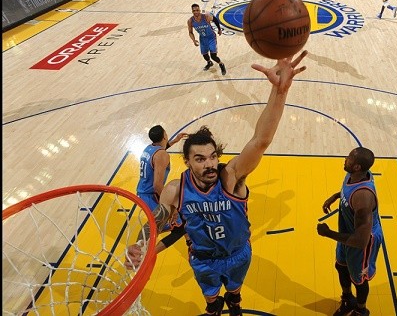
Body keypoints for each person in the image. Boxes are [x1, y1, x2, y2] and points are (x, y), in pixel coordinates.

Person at [126, 51, 308, 316]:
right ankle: (214, 307)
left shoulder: (230, 177)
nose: (209, 164)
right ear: (188, 162)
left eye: (212, 157)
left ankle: (234, 304)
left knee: (235, 293)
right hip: (203, 260)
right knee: (211, 301)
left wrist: (280, 93)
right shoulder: (176, 190)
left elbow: (261, 140)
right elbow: (157, 221)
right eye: (200, 159)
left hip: (238, 254)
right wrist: (141, 244)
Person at [316, 147, 382, 316]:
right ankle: (347, 299)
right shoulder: (353, 174)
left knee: (359, 280)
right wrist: (336, 196)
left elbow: (361, 241)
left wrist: (328, 233)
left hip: (362, 241)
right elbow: (348, 190)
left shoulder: (363, 197)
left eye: (350, 158)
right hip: (348, 233)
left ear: (357, 167)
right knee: (340, 266)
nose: (346, 159)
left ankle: (360, 310)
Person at [188, 3, 227, 75]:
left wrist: (219, 29)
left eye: (197, 10)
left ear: (199, 10)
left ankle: (221, 64)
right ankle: (209, 63)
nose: (196, 12)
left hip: (211, 37)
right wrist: (193, 40)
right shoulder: (190, 21)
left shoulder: (206, 16)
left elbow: (215, 19)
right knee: (204, 55)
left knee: (213, 56)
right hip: (202, 39)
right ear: (192, 11)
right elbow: (190, 32)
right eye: (194, 11)